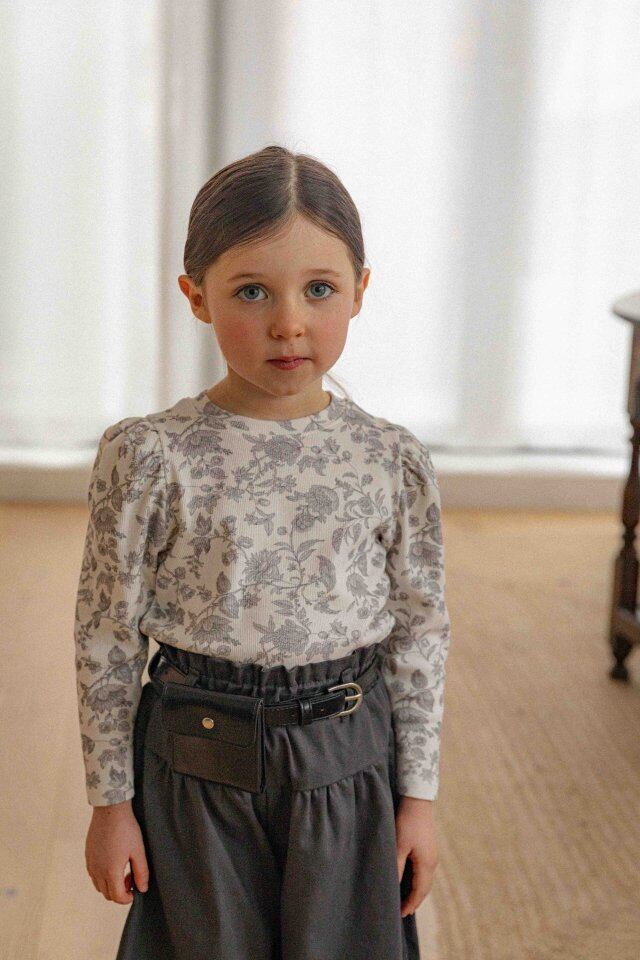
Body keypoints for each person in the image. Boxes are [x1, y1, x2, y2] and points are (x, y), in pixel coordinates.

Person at [74, 143, 452, 960]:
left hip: (349, 764)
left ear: (360, 289)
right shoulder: (149, 455)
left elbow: (420, 633)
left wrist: (417, 799)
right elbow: (106, 636)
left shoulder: (390, 459)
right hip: (195, 766)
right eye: (252, 291)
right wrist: (112, 805)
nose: (289, 322)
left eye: (320, 289)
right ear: (196, 296)